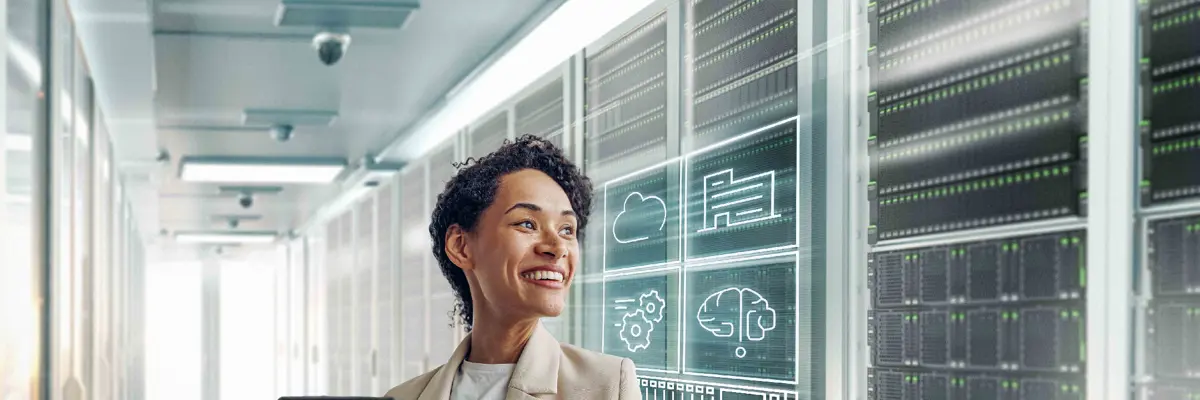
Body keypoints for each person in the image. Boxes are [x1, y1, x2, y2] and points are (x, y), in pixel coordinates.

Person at [384, 135, 641, 399]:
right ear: (460, 246)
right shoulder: (404, 395)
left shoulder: (607, 385)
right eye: (527, 224)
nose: (557, 247)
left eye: (567, 229)